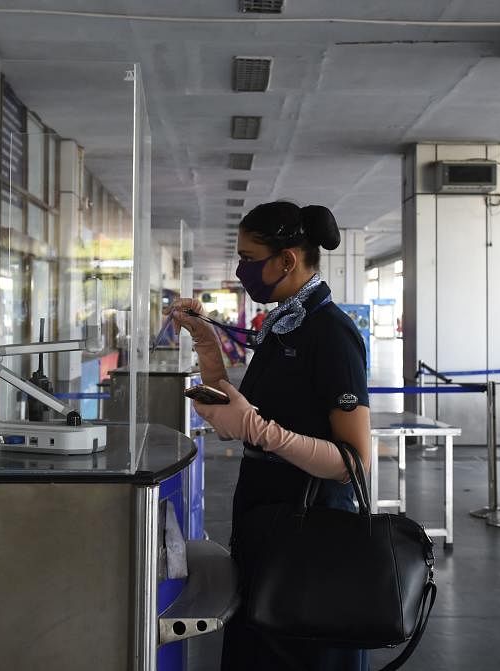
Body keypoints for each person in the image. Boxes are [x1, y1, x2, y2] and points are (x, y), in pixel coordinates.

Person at [169, 201, 372, 671]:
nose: (243, 270)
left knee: (299, 653)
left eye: (249, 257)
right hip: (269, 519)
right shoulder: (286, 323)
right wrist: (204, 341)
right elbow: (251, 409)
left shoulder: (331, 333)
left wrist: (260, 431)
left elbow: (354, 462)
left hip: (311, 530)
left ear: (287, 260)